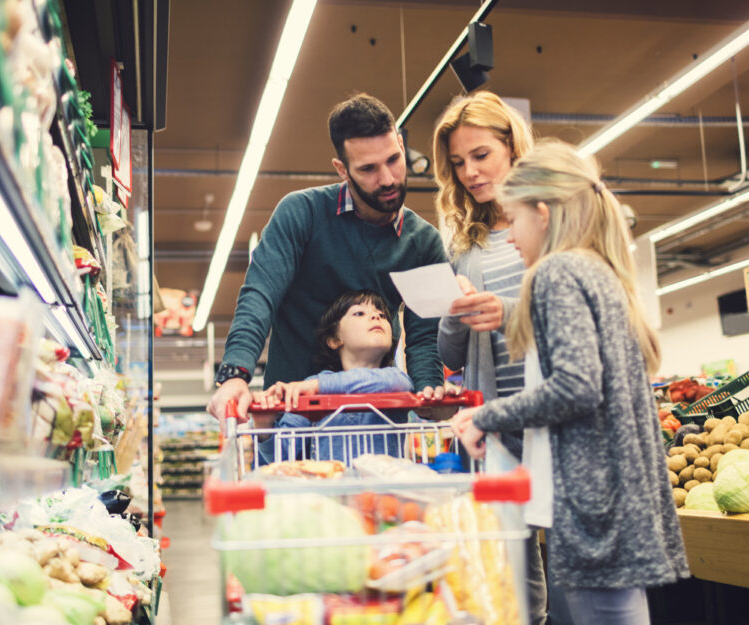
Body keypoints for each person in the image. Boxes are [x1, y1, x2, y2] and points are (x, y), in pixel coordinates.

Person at [451, 139, 689, 625]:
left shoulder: (556, 272)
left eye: (514, 220)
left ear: (542, 213)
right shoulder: (600, 270)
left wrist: (486, 415)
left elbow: (576, 387)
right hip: (620, 500)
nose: (512, 238)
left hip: (591, 507)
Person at [208, 93, 448, 424]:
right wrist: (236, 373)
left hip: (375, 421)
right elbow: (260, 295)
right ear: (342, 170)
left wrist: (429, 393)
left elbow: (424, 337)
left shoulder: (424, 243)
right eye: (368, 168)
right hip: (291, 421)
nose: (389, 179)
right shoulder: (301, 213)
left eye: (394, 159)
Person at [432, 91, 564, 625]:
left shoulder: (553, 222)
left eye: (481, 155)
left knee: (572, 571)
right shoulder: (465, 244)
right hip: (499, 427)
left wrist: (505, 310)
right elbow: (450, 356)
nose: (469, 173)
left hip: (557, 419)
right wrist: (453, 312)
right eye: (459, 163)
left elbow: (571, 314)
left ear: (512, 145)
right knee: (513, 576)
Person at [251, 289, 413, 464]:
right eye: (359, 313)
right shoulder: (312, 387)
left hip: (384, 490)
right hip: (332, 488)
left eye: (382, 315)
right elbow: (281, 456)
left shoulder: (394, 378)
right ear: (334, 339)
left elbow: (400, 384)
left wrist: (317, 386)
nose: (376, 317)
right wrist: (263, 426)